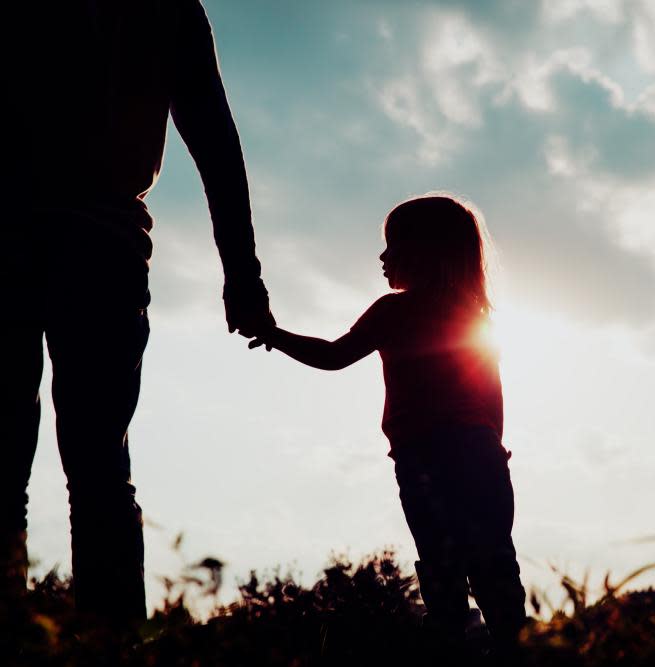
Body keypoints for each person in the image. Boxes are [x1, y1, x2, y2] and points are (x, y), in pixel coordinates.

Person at [0, 0, 273, 623]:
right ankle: (109, 645)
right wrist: (242, 273)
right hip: (99, 240)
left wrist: (244, 273)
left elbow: (215, 138)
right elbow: (216, 141)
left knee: (32, 463)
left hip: (57, 236)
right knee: (98, 469)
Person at [249, 195, 527, 658]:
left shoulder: (395, 310)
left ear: (425, 251)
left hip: (426, 461)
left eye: (392, 246)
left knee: (443, 578)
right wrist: (491, 454)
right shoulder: (474, 319)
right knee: (496, 572)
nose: (383, 257)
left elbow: (334, 356)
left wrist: (274, 335)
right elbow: (493, 405)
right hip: (482, 460)